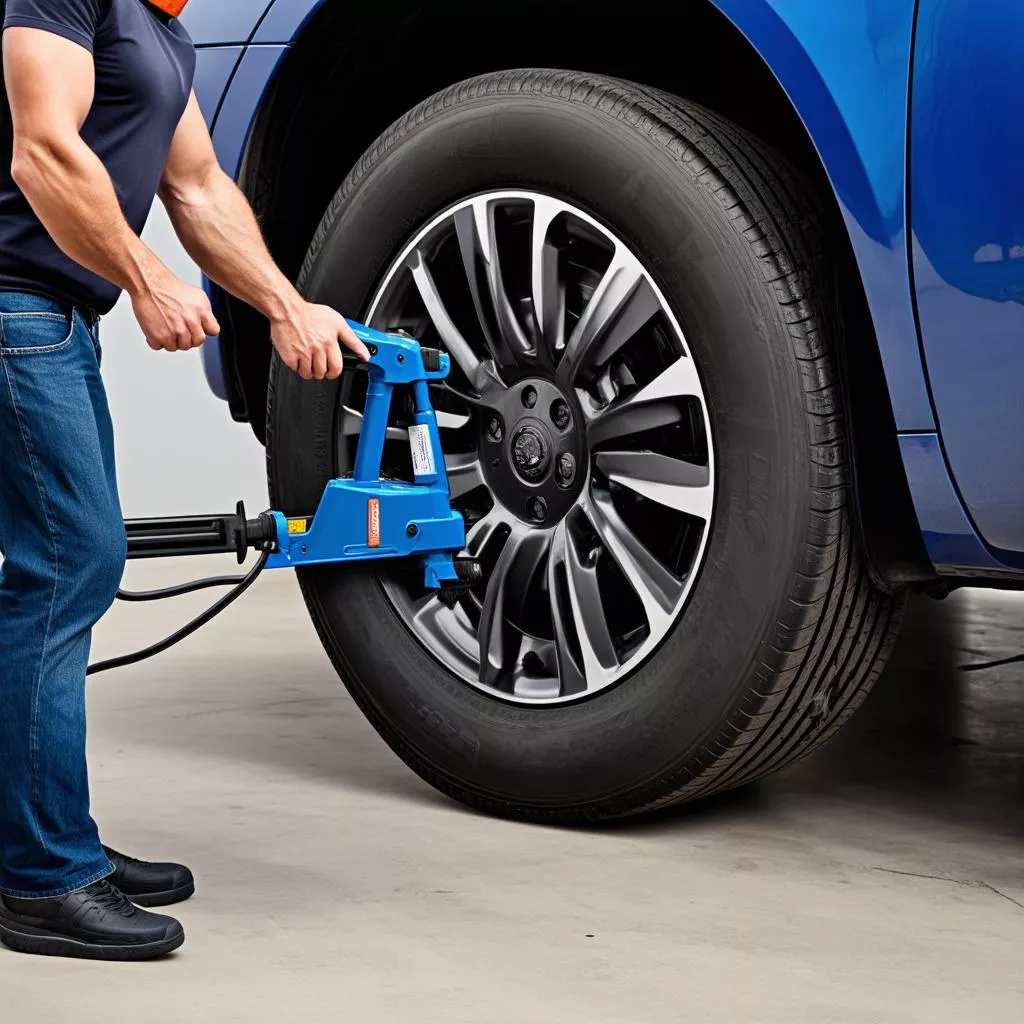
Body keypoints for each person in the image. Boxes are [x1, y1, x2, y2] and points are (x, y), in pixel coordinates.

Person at [0, 0, 368, 961]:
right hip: (12, 307)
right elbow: (39, 150)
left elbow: (198, 186)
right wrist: (145, 279)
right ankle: (39, 877)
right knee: (66, 567)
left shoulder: (164, 32)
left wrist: (288, 307)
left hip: (52, 317)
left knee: (63, 570)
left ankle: (41, 835)